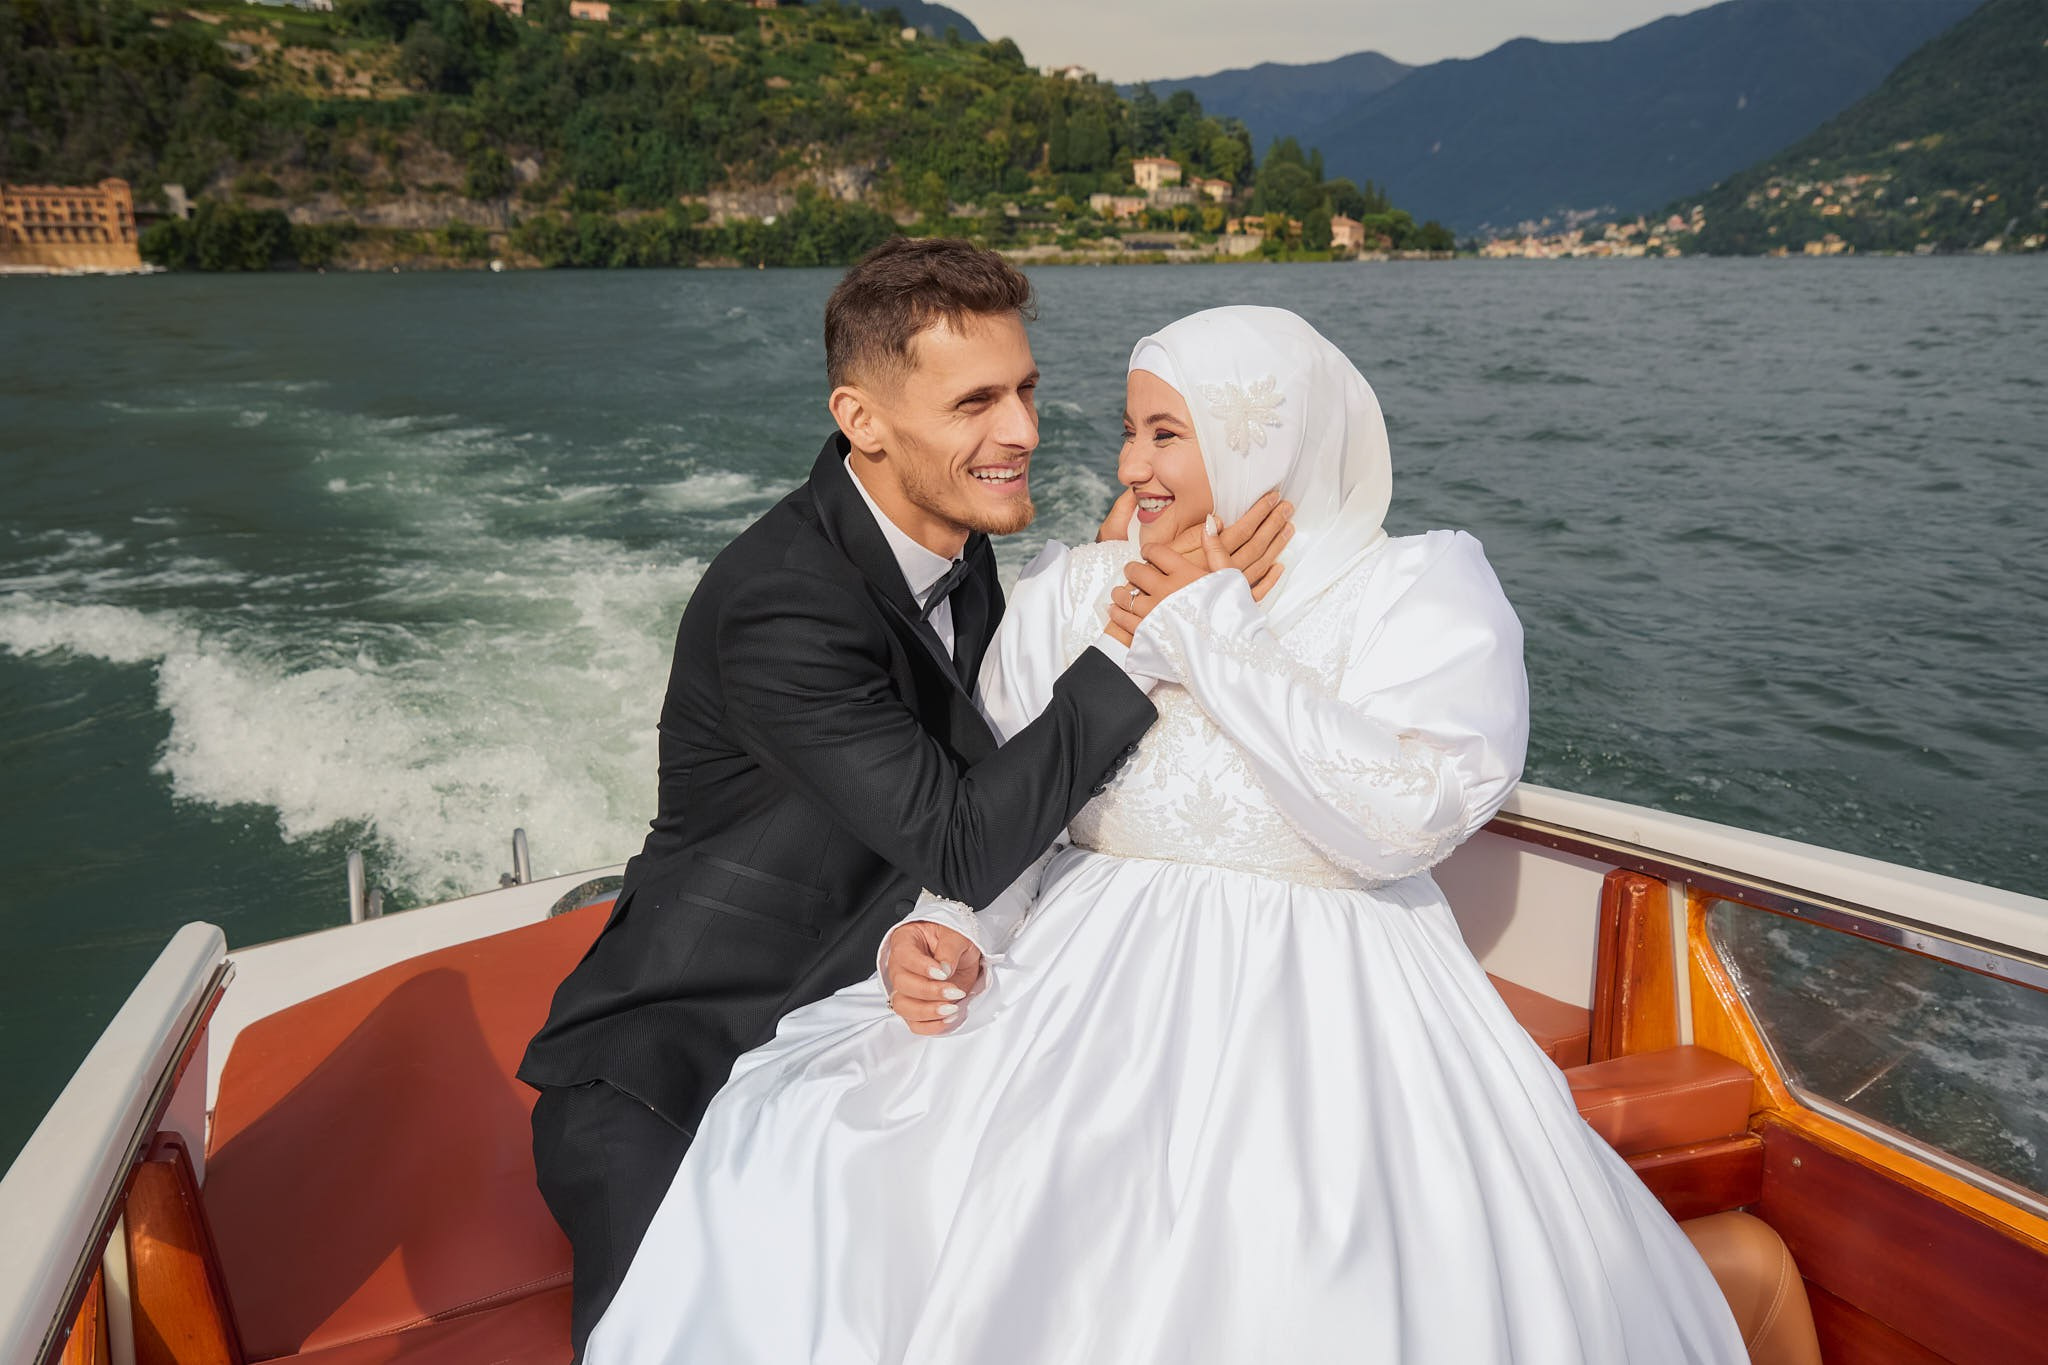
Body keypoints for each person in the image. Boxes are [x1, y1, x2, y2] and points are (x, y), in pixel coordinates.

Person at [585, 305, 1750, 1364]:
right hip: (1070, 983)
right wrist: (943, 927)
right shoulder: (1063, 587)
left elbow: (1403, 821)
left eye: (1163, 435)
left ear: (1265, 442)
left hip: (1334, 997)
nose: (1126, 463)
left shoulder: (1418, 590)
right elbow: (1011, 817)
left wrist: (1207, 631)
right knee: (848, 1179)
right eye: (1132, 431)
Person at [516, 241, 1290, 1359]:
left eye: (1024, 389)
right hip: (675, 1062)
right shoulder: (780, 606)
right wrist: (1141, 637)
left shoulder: (960, 545)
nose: (1022, 431)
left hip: (878, 1023)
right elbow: (966, 838)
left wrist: (1101, 587)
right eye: (974, 402)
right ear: (862, 419)